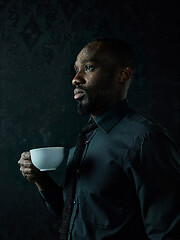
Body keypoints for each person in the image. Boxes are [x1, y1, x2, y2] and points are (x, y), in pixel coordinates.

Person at [18, 39, 180, 240]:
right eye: (76, 70)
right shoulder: (88, 137)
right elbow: (73, 218)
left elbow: (167, 233)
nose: (76, 79)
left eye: (88, 68)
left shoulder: (147, 140)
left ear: (123, 74)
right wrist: (40, 179)